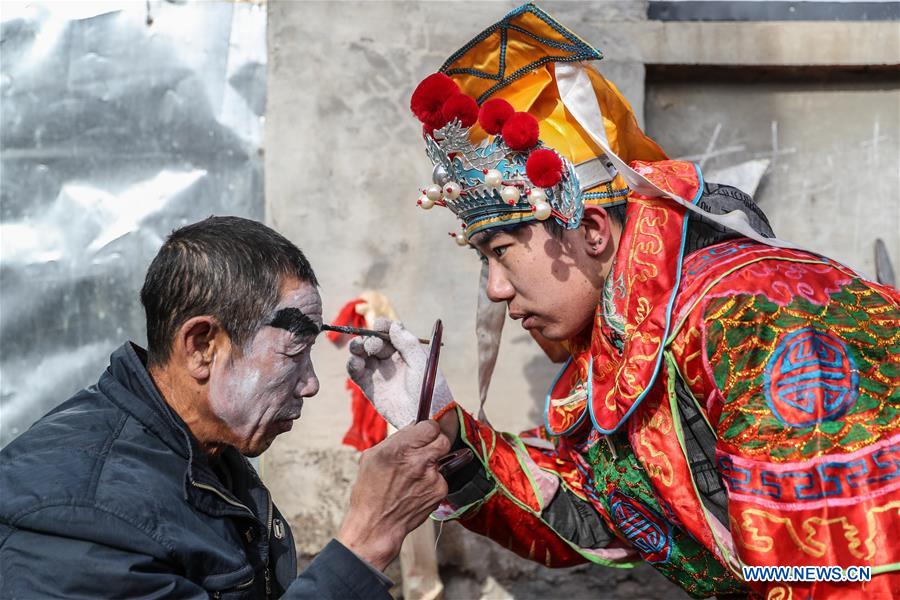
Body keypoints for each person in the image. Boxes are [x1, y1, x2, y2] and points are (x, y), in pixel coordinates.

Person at [346, 4, 900, 598]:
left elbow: (845, 573)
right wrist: (449, 434)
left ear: (591, 231)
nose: (495, 289)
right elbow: (594, 512)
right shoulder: (628, 337)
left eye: (501, 251)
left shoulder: (754, 316)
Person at [0, 216, 450, 599]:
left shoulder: (203, 451)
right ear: (201, 346)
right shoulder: (84, 513)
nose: (311, 385)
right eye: (294, 353)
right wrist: (365, 544)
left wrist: (443, 427)